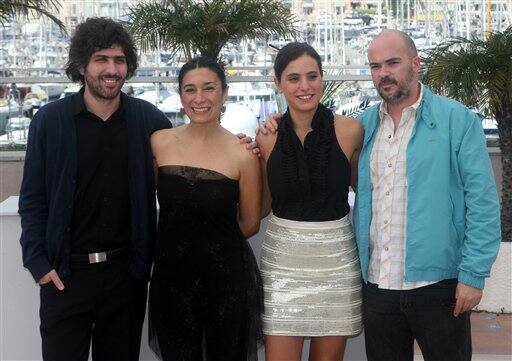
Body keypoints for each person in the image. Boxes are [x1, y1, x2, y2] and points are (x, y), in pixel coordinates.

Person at [18, 18, 171, 360]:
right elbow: (32, 200)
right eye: (101, 59)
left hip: (125, 278)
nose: (111, 69)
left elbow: (187, 160)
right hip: (65, 278)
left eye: (119, 60)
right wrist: (38, 263)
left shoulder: (150, 121)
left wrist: (237, 146)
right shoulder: (49, 121)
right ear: (82, 64)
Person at [353, 29, 501, 361]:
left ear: (415, 63)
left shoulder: (457, 120)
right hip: (378, 288)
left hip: (440, 288)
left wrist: (473, 275)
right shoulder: (363, 127)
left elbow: (482, 203)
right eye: (376, 66)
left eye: (393, 62)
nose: (384, 73)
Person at [147, 56, 263, 361]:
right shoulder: (159, 143)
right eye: (190, 89)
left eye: (209, 88)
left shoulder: (243, 154)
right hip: (171, 278)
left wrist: (209, 247)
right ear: (181, 95)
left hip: (225, 281)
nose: (199, 98)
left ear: (224, 93)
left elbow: (250, 223)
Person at [256, 42, 363, 361]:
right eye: (293, 78)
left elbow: (367, 192)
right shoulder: (265, 136)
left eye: (312, 76)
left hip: (337, 264)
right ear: (278, 83)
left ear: (322, 79)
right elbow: (261, 205)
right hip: (283, 268)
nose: (304, 86)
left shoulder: (351, 131)